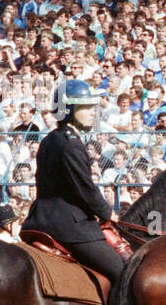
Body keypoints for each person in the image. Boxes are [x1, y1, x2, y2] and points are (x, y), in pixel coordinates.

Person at [21, 79, 126, 282]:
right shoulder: (71, 144)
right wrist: (108, 213)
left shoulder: (49, 139)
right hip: (70, 226)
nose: (92, 112)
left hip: (40, 219)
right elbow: (85, 189)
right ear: (68, 109)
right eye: (85, 107)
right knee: (124, 273)